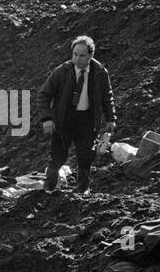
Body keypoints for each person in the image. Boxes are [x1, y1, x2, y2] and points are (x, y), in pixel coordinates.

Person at [37, 34, 117, 194]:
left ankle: (82, 190)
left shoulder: (100, 72)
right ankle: (48, 189)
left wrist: (110, 118)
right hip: (64, 118)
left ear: (90, 55)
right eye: (75, 54)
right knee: (57, 155)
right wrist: (46, 118)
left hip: (87, 119)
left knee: (86, 154)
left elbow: (107, 96)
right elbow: (44, 95)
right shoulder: (62, 71)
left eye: (82, 55)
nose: (77, 59)